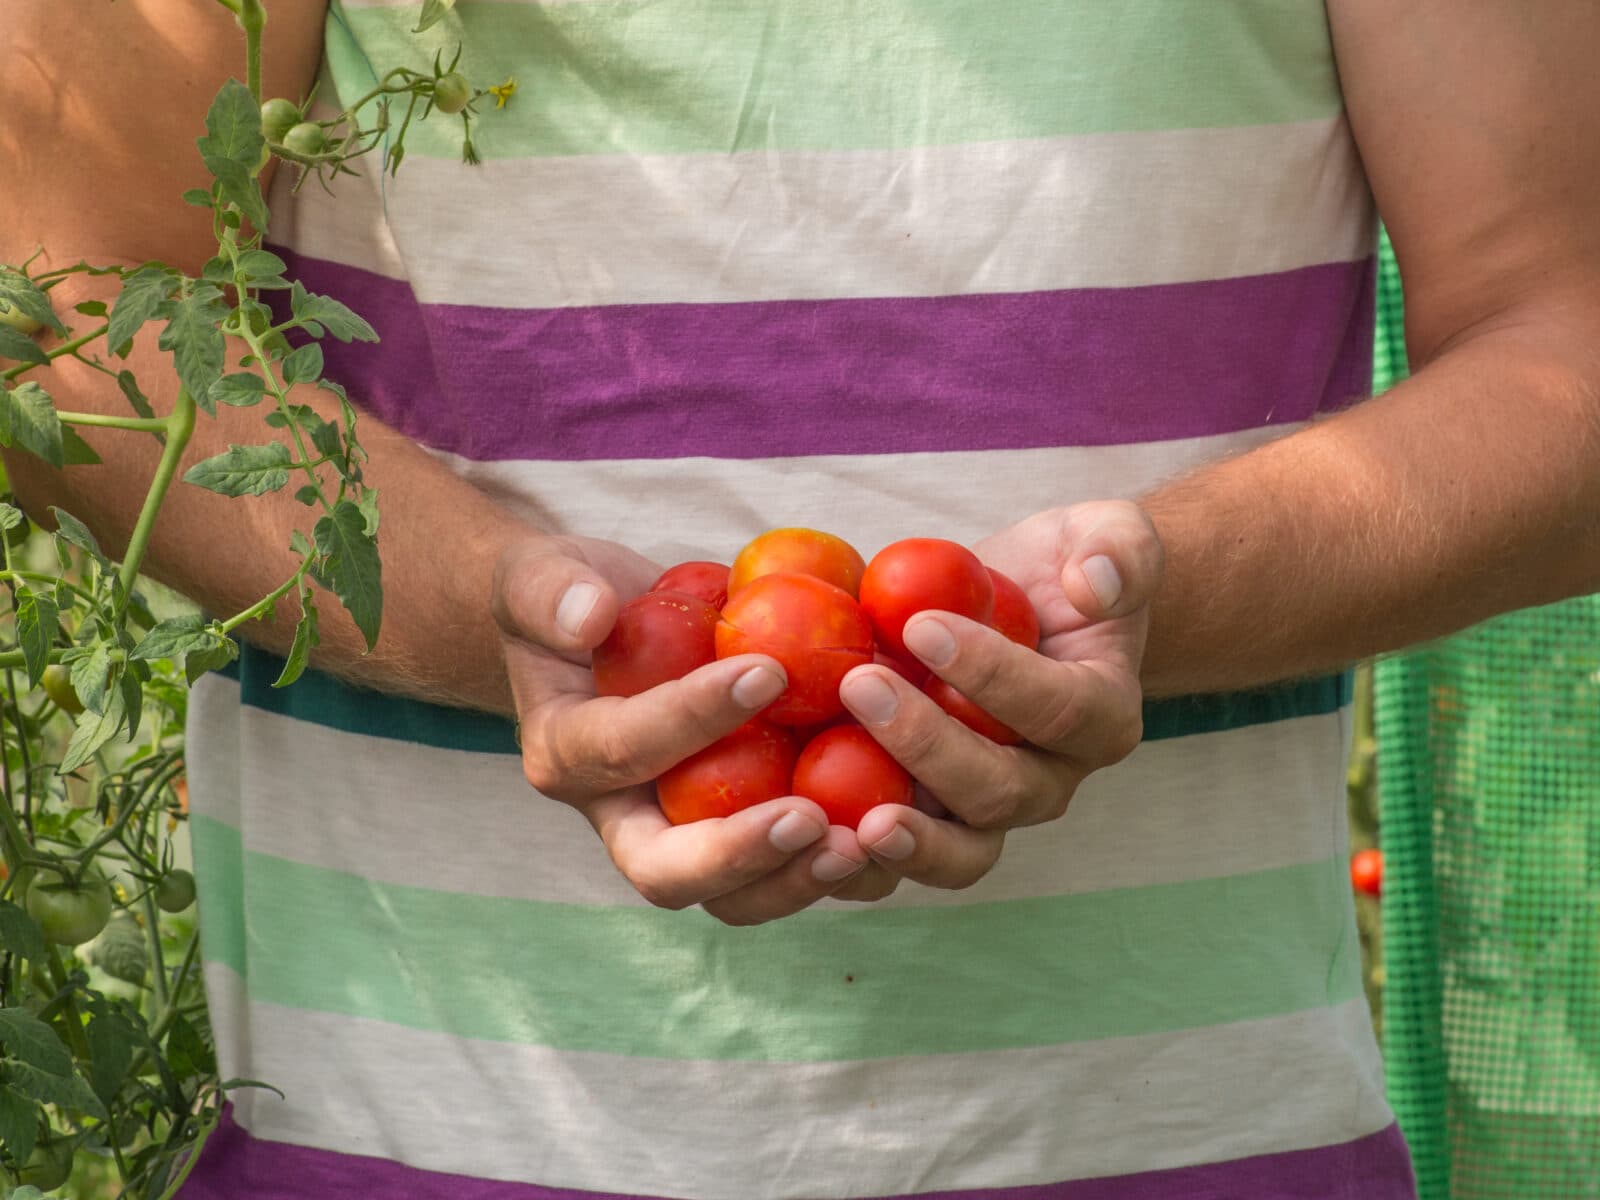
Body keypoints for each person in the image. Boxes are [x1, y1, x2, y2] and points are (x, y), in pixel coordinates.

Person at [3, 0, 1596, 1196]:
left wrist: (1157, 595)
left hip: (1192, 1136)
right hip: (424, 1135)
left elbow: (1568, 337)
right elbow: (51, 294)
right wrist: (491, 621)